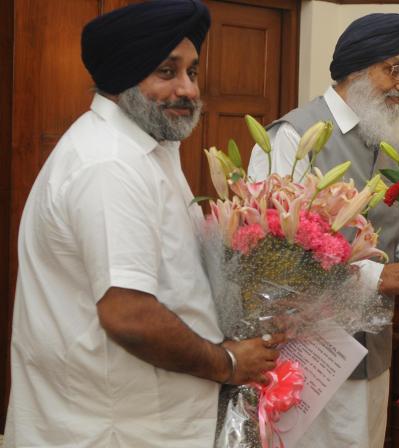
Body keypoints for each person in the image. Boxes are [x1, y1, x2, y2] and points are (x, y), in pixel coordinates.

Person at [4, 1, 282, 446]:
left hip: (156, 420)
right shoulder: (108, 163)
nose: (189, 89)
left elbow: (178, 279)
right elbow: (129, 315)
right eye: (167, 72)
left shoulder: (149, 146)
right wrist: (227, 363)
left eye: (192, 71)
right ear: (121, 77)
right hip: (114, 428)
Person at [247, 12, 399, 448]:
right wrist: (382, 278)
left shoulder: (392, 148)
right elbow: (274, 252)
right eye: (394, 70)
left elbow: (395, 240)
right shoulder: (293, 137)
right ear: (358, 65)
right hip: (306, 354)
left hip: (374, 355)